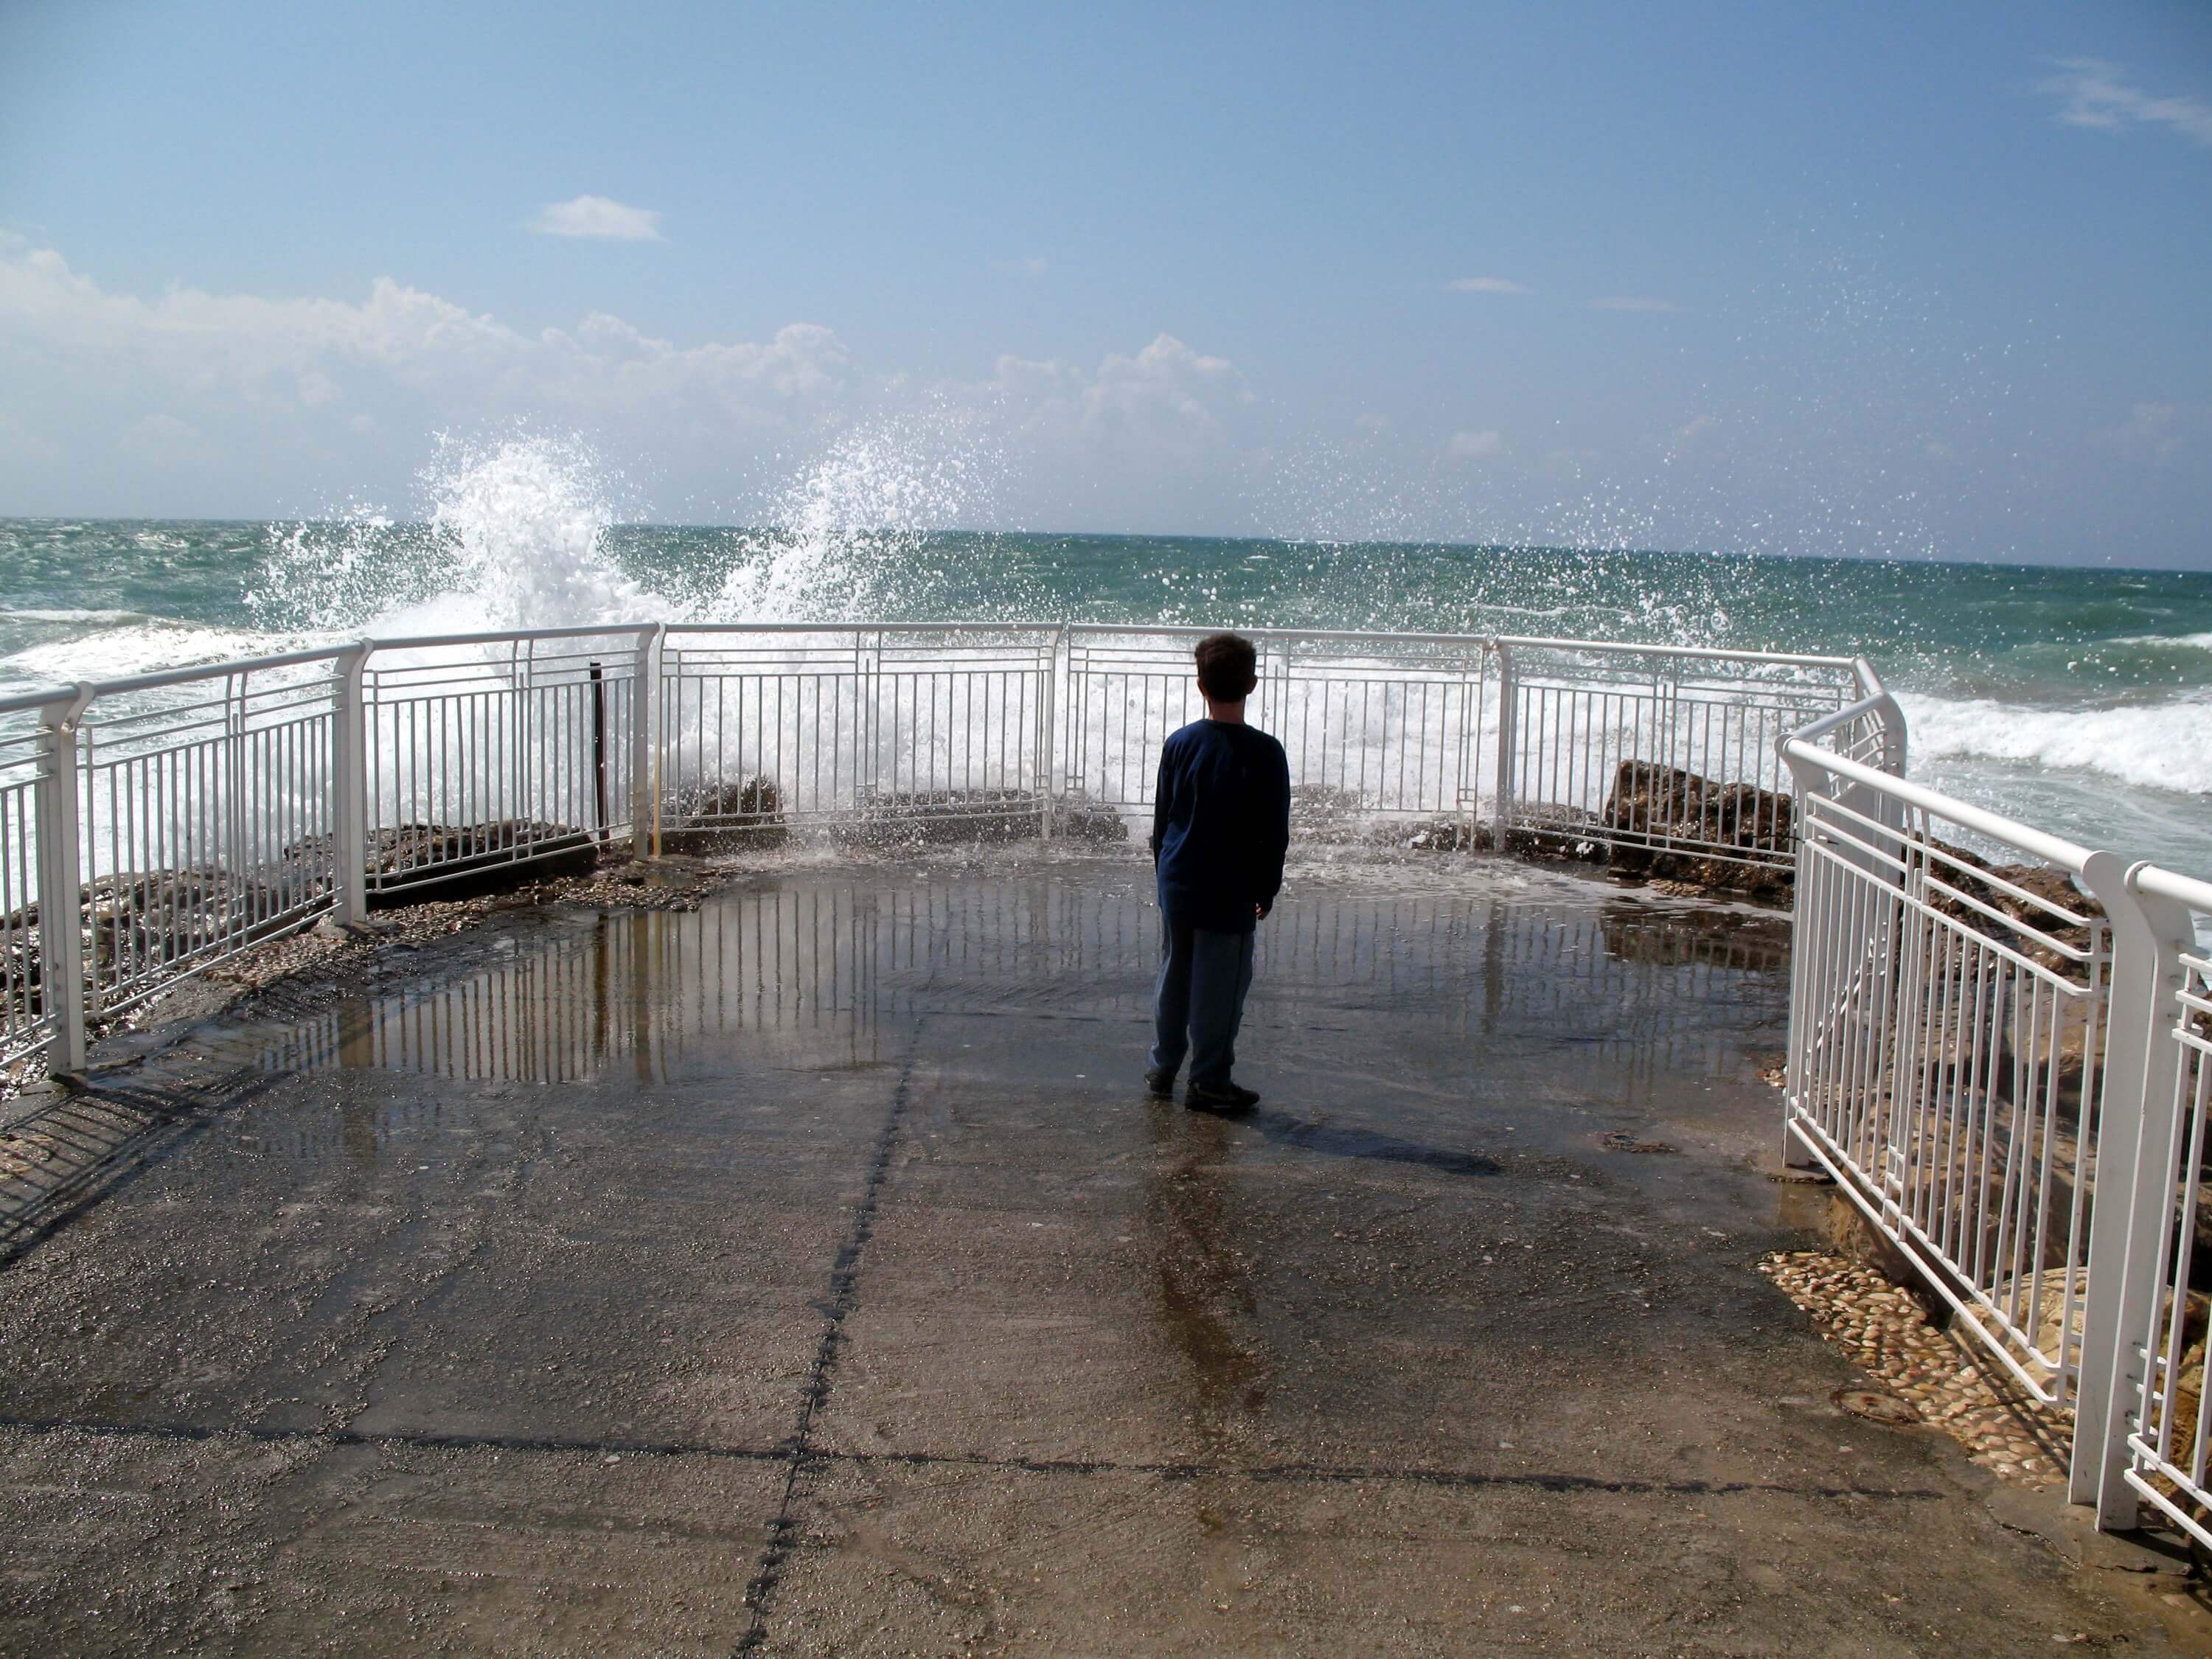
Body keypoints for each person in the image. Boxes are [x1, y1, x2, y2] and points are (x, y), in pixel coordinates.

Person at [1146, 631, 1291, 1113]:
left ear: (1199, 684)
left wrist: (1163, 875)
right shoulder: (1266, 753)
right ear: (1252, 684)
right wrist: (1266, 888)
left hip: (1179, 878)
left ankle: (1163, 1067)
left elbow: (1164, 816)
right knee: (1222, 989)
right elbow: (1273, 832)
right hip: (1229, 887)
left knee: (1176, 976)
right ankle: (1209, 1080)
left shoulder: (1180, 743)